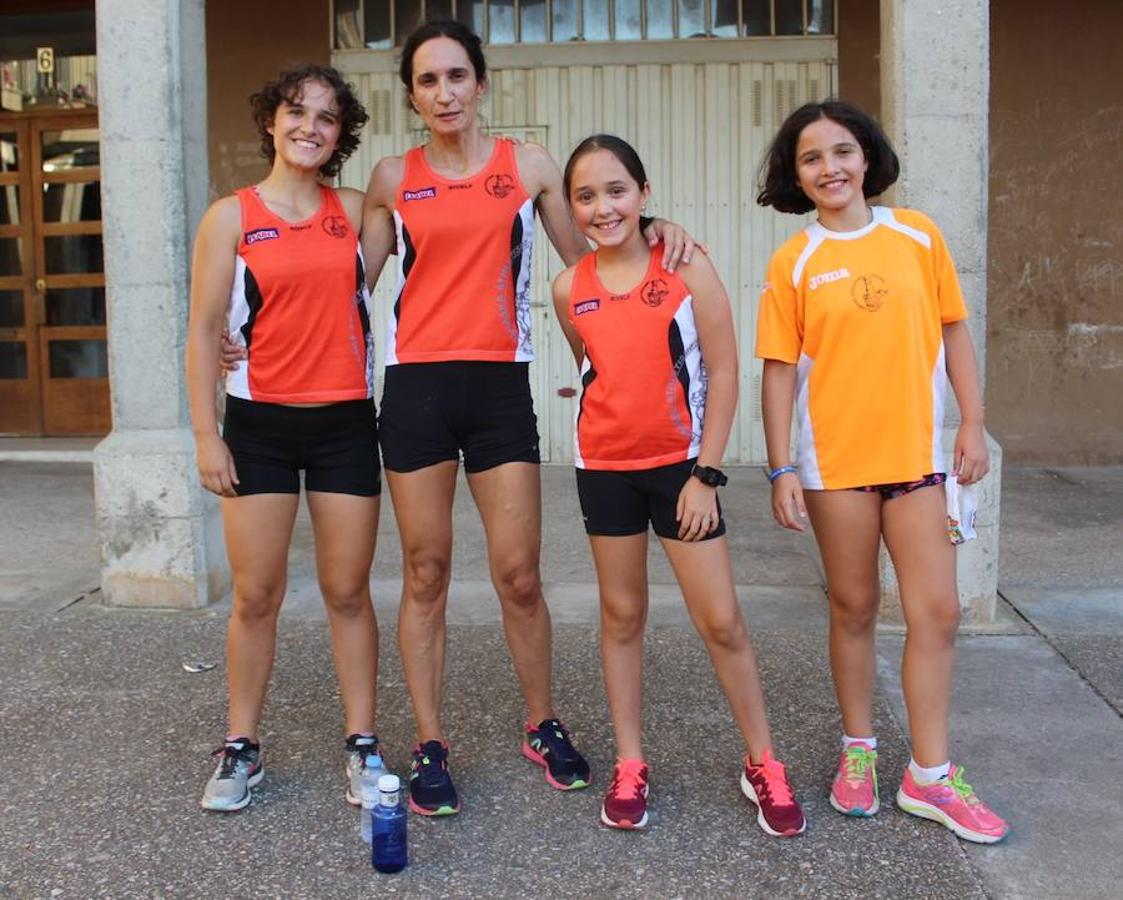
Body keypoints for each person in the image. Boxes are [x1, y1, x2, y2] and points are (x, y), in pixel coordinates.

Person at [357, 20, 698, 817]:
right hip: (414, 391)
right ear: (411, 93)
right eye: (427, 80)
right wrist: (242, 338)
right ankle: (431, 742)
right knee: (425, 572)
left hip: (499, 388)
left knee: (517, 574)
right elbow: (345, 283)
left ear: (480, 83)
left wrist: (658, 229)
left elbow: (600, 255)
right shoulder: (389, 176)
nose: (443, 92)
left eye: (456, 76)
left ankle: (542, 723)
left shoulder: (530, 167)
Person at [755, 100, 1008, 843]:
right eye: (810, 158)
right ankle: (858, 750)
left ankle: (928, 776)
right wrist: (780, 467)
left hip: (919, 462)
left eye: (841, 151)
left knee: (937, 612)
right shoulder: (793, 260)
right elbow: (776, 374)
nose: (828, 168)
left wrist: (970, 419)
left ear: (866, 157)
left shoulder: (915, 235)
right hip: (834, 467)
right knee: (854, 608)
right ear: (794, 176)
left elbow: (952, 330)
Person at [551, 134, 806, 836]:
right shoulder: (568, 286)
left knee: (720, 621)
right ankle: (630, 762)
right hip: (602, 471)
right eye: (585, 196)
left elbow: (724, 371)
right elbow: (594, 364)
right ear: (571, 209)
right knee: (621, 617)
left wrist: (706, 475)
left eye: (615, 191)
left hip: (680, 472)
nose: (601, 207)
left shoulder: (687, 267)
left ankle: (763, 762)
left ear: (642, 194)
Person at [187, 65, 387, 811]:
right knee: (257, 594)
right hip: (260, 425)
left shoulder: (362, 210)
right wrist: (207, 434)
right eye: (296, 111)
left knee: (345, 590)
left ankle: (362, 744)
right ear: (270, 120)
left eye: (327, 117)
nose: (309, 126)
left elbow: (434, 206)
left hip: (343, 422)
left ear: (342, 135)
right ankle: (241, 746)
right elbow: (205, 329)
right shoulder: (230, 217)